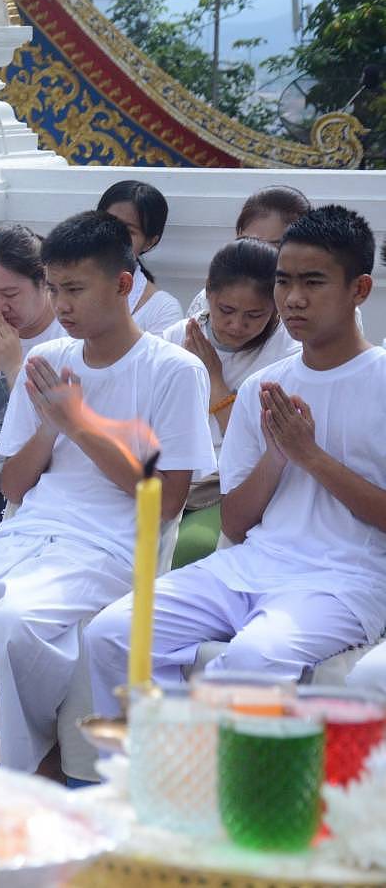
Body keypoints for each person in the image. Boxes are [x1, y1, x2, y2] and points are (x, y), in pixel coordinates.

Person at [0, 211, 214, 773]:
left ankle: (26, 766)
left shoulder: (173, 370)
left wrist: (78, 425)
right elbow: (15, 485)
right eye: (54, 288)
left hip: (110, 548)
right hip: (25, 534)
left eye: (74, 289)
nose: (62, 304)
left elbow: (164, 503)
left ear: (123, 284)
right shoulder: (47, 361)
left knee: (11, 625)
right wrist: (50, 427)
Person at [87, 206, 386, 708]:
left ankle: (222, 778)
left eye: (313, 282)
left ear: (358, 290)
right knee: (113, 634)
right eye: (285, 281)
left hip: (347, 580)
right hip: (254, 564)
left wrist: (309, 456)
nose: (293, 298)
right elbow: (239, 521)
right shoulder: (262, 391)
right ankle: (168, 766)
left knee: (253, 660)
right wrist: (277, 456)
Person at [160, 240, 298, 567]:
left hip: (234, 485)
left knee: (188, 550)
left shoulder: (289, 351)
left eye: (254, 315)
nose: (237, 326)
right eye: (226, 311)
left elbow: (263, 445)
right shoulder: (176, 338)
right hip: (172, 476)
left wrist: (216, 382)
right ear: (208, 293)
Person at [0, 225, 65, 543]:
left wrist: (14, 368)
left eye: (10, 294)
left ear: (43, 282)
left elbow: (63, 430)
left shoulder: (68, 338)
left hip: (34, 485)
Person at [186, 185, 312, 317]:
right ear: (239, 234)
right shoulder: (214, 296)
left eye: (276, 245)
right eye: (252, 242)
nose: (262, 254)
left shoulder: (310, 302)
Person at [97, 179, 184, 335]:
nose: (112, 236)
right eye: (107, 223)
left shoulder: (163, 309)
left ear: (149, 242)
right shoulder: (60, 281)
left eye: (128, 231)